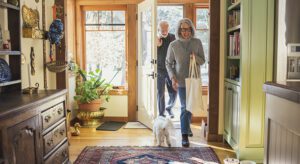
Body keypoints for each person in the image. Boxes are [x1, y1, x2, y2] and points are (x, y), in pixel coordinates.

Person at [166, 18, 205, 147]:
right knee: (184, 107)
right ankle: (184, 136)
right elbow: (168, 63)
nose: (185, 32)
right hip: (181, 81)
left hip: (194, 79)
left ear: (191, 30)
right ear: (179, 30)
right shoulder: (173, 45)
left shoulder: (197, 42)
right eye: (183, 29)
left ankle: (187, 128)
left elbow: (203, 60)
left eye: (187, 29)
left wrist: (196, 57)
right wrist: (172, 78)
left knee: (190, 107)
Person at [157, 20, 177, 118]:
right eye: (162, 30)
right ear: (158, 29)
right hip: (159, 69)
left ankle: (169, 108)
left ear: (169, 29)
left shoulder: (173, 37)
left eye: (166, 29)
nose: (164, 32)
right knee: (160, 92)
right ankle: (161, 113)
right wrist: (157, 45)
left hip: (171, 69)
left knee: (173, 91)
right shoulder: (156, 38)